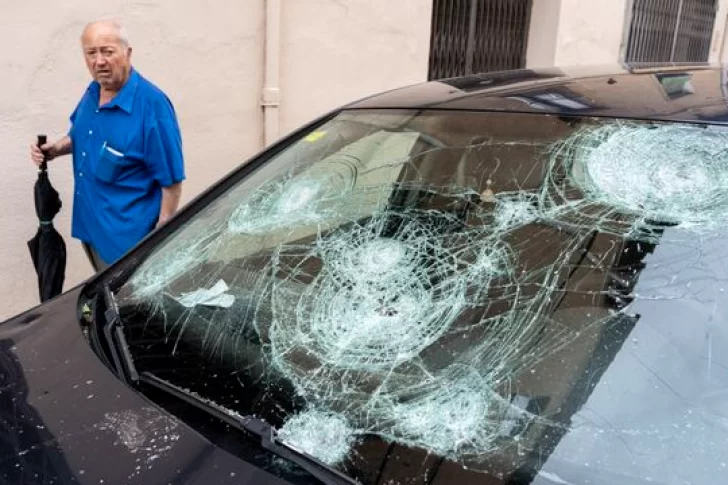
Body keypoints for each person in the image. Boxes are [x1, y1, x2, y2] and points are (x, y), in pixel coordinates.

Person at [30, 19, 185, 271]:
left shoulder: (152, 107)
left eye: (107, 51)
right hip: (91, 229)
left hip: (128, 247)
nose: (98, 61)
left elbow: (172, 182)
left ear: (127, 53)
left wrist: (158, 244)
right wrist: (57, 150)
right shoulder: (93, 91)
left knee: (126, 309)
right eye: (91, 53)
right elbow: (83, 136)